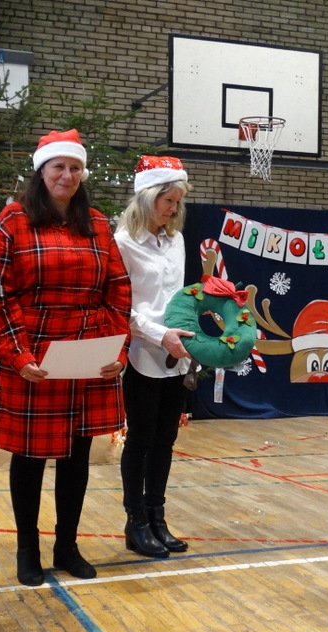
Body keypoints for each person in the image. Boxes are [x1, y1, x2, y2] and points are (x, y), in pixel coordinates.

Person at [0, 129, 131, 586]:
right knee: (28, 458)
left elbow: (118, 289)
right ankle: (27, 549)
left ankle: (67, 545)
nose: (67, 175)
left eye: (75, 167)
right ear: (41, 171)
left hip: (87, 351)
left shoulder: (98, 224)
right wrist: (17, 353)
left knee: (77, 456)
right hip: (33, 353)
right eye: (58, 167)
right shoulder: (12, 221)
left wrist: (118, 347)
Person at [114, 156, 194, 558]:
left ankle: (157, 517)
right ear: (148, 198)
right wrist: (160, 334)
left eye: (178, 202)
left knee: (166, 440)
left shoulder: (176, 240)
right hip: (142, 354)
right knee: (141, 440)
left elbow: (177, 298)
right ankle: (136, 522)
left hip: (176, 355)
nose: (174, 209)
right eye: (169, 201)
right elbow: (120, 307)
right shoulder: (123, 242)